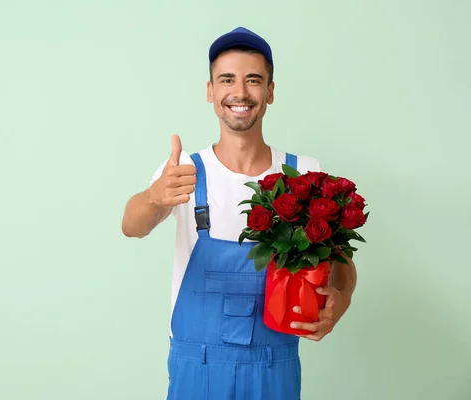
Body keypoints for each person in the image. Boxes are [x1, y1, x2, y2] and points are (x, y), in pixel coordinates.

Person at [121, 26, 357, 400]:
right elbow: (131, 226)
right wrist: (155, 196)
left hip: (274, 365)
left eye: (254, 80)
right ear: (210, 91)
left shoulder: (306, 175)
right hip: (196, 368)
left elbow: (341, 265)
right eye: (227, 79)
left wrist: (340, 301)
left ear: (271, 91)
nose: (240, 93)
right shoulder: (183, 170)